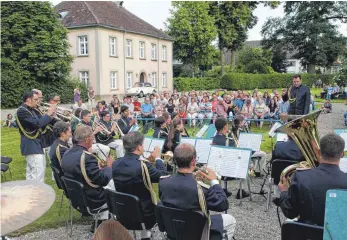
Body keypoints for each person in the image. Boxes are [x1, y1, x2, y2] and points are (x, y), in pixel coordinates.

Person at [159, 143, 236, 240]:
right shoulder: (202, 189)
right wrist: (214, 181)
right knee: (230, 219)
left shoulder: (163, 182)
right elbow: (223, 205)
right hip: (197, 232)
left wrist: (192, 179)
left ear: (175, 161)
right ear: (193, 162)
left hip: (174, 229)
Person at [278, 133, 347, 226]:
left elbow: (290, 213)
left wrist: (284, 192)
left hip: (307, 235)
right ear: (342, 154)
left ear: (318, 152)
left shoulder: (300, 177)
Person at [112, 132, 167, 240]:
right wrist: (158, 158)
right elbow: (162, 176)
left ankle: (146, 235)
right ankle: (147, 235)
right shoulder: (142, 166)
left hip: (122, 211)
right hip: (144, 215)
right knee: (164, 204)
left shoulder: (116, 163)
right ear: (139, 147)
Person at [61, 125, 113, 230]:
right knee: (114, 183)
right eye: (92, 137)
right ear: (86, 139)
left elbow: (83, 173)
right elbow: (102, 180)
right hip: (91, 200)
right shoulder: (86, 157)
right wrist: (109, 166)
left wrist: (98, 168)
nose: (93, 140)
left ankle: (99, 221)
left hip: (76, 198)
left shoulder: (66, 153)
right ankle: (105, 222)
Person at [16, 91, 55, 182]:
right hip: (31, 144)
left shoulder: (32, 109)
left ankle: (29, 193)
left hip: (36, 143)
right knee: (38, 173)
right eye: (36, 99)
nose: (38, 101)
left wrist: (51, 116)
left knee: (31, 172)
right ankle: (37, 194)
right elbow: (38, 124)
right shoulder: (22, 111)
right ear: (29, 99)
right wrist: (48, 114)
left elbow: (43, 123)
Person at [212, 117, 249, 199]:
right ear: (225, 127)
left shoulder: (213, 139)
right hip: (229, 172)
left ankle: (224, 189)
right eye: (227, 126)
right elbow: (236, 155)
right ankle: (241, 191)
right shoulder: (229, 140)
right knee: (245, 165)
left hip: (216, 170)